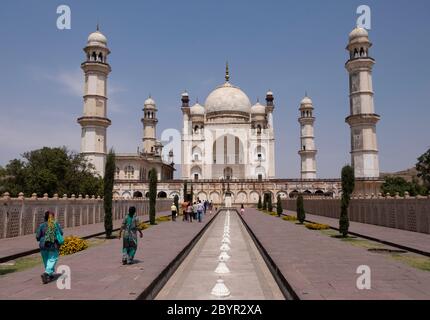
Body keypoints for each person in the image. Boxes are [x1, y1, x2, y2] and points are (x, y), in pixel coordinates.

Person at [36, 211, 63, 284]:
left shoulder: (41, 225)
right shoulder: (56, 224)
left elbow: (38, 236)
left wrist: (42, 238)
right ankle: (46, 273)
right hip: (53, 245)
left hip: (43, 245)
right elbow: (61, 233)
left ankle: (49, 274)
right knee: (52, 259)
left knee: (46, 260)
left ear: (45, 217)